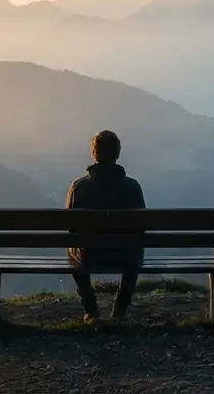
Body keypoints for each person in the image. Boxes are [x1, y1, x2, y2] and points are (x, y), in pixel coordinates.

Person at [65, 129, 146, 322]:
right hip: (125, 256)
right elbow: (141, 227)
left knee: (71, 250)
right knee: (136, 247)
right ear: (117, 154)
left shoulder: (79, 187)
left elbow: (70, 227)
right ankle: (119, 309)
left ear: (94, 153)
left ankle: (91, 310)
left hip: (89, 256)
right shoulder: (132, 187)